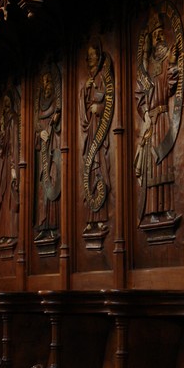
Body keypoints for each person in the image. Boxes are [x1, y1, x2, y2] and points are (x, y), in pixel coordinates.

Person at [135, 10, 180, 222]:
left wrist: (172, 63)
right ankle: (153, 210)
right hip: (151, 120)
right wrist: (145, 115)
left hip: (162, 117)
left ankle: (167, 207)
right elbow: (139, 93)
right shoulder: (147, 67)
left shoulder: (165, 60)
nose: (160, 37)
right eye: (156, 35)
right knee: (152, 166)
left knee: (164, 161)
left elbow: (170, 87)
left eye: (161, 33)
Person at [81, 39, 112, 232]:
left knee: (100, 168)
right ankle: (90, 219)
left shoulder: (103, 77)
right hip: (90, 132)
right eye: (89, 56)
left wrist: (98, 108)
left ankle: (100, 218)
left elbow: (109, 100)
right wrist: (85, 90)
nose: (91, 59)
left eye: (93, 55)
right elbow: (82, 110)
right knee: (90, 170)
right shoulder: (88, 82)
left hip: (100, 130)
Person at [35, 71, 61, 240]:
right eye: (44, 83)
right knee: (42, 185)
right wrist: (39, 133)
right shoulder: (39, 105)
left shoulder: (56, 102)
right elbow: (36, 126)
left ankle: (52, 225)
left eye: (48, 82)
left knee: (53, 178)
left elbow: (59, 117)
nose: (47, 86)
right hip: (43, 148)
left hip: (53, 145)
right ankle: (43, 224)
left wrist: (56, 121)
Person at [0, 93, 19, 246]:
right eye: (3, 103)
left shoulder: (13, 119)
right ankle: (4, 233)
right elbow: (1, 147)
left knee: (11, 196)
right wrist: (1, 132)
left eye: (7, 102)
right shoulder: (4, 122)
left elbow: (14, 144)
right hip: (4, 163)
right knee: (3, 196)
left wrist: (13, 166)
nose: (5, 105)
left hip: (11, 161)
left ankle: (12, 233)